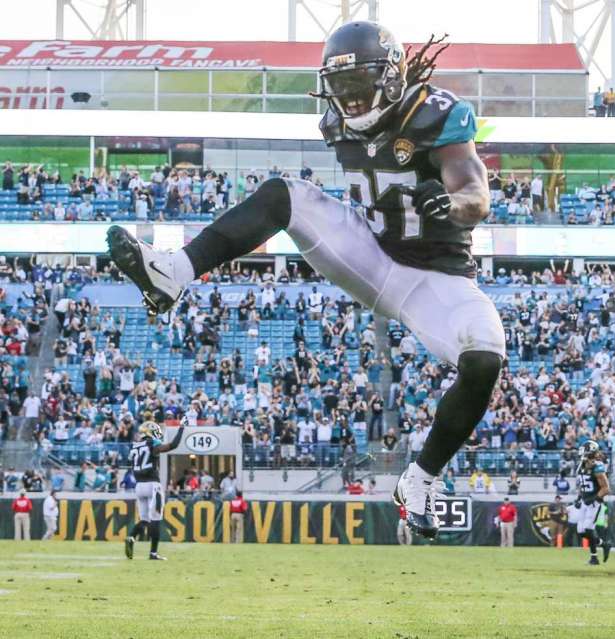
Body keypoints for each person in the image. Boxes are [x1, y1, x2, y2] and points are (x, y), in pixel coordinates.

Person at [107, 21, 504, 541]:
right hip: (368, 252)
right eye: (341, 88)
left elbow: (476, 193)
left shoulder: (437, 113)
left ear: (390, 77)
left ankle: (421, 479)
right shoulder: (335, 123)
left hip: (435, 278)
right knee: (283, 194)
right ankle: (172, 272)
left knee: (485, 355)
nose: (352, 98)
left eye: (360, 85)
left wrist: (451, 203)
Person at [125, 418, 185, 561]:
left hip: (139, 486)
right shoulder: (153, 444)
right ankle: (153, 553)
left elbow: (131, 461)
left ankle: (131, 537)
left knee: (144, 519)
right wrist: (182, 428)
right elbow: (173, 445)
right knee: (155, 518)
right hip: (153, 485)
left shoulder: (134, 446)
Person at [575, 440, 612, 565]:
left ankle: (594, 557)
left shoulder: (598, 467)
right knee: (581, 531)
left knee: (587, 529)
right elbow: (582, 485)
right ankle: (604, 544)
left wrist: (595, 500)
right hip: (585, 501)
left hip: (594, 502)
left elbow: (606, 488)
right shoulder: (581, 465)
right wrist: (579, 497)